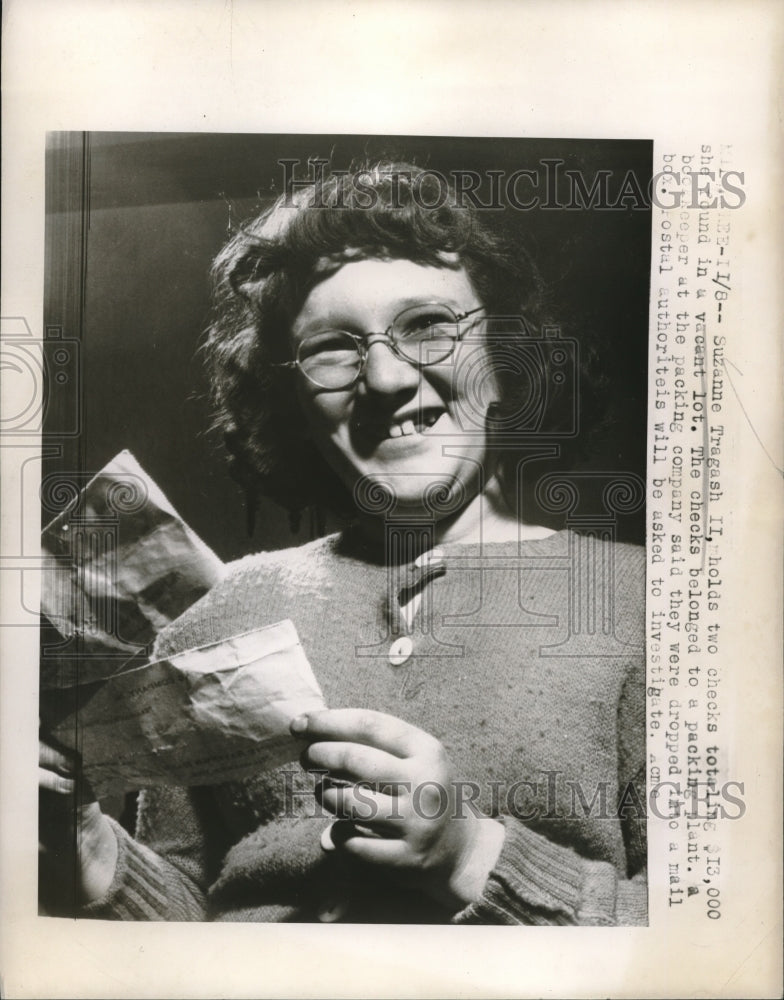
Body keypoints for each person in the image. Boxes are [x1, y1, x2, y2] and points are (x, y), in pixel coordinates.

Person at [39, 162, 647, 924]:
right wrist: (91, 849)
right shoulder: (213, 613)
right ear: (287, 396)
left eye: (428, 324)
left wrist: (470, 858)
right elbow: (188, 927)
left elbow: (716, 939)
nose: (388, 378)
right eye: (333, 349)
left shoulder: (647, 607)